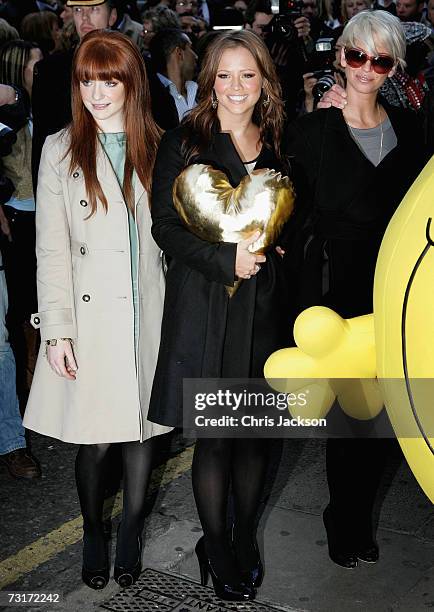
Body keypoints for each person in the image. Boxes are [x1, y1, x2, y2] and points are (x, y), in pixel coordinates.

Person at [23, 29, 171, 590]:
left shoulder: (158, 144)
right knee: (96, 439)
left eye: (109, 79)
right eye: (87, 80)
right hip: (91, 318)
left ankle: (130, 530)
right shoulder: (60, 148)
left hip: (150, 309)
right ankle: (93, 529)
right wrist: (57, 331)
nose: (98, 92)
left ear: (131, 81)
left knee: (143, 432)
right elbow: (51, 249)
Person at [148, 29, 293, 601]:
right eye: (225, 75)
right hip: (207, 304)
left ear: (264, 83)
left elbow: (288, 209)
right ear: (209, 80)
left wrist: (277, 242)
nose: (237, 87)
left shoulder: (279, 137)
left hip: (263, 309)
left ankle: (244, 538)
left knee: (256, 437)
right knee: (215, 439)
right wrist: (224, 258)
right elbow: (164, 226)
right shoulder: (184, 141)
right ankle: (215, 544)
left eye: (248, 75)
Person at [285, 10, 427, 569]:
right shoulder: (311, 130)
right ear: (339, 54)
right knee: (354, 417)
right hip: (339, 288)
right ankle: (345, 520)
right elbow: (294, 216)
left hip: (398, 292)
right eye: (356, 55)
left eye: (381, 59)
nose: (366, 68)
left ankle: (354, 509)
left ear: (394, 66)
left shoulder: (412, 130)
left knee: (394, 411)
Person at [31, 0, 118, 191]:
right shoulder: (49, 71)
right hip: (69, 185)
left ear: (112, 16)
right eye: (78, 10)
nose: (85, 17)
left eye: (94, 9)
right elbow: (41, 141)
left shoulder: (137, 67)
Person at [0, 40, 43, 408]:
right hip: (16, 215)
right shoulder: (11, 113)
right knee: (21, 303)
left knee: (40, 299)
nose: (41, 71)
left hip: (44, 214)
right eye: (34, 65)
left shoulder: (45, 108)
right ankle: (27, 379)